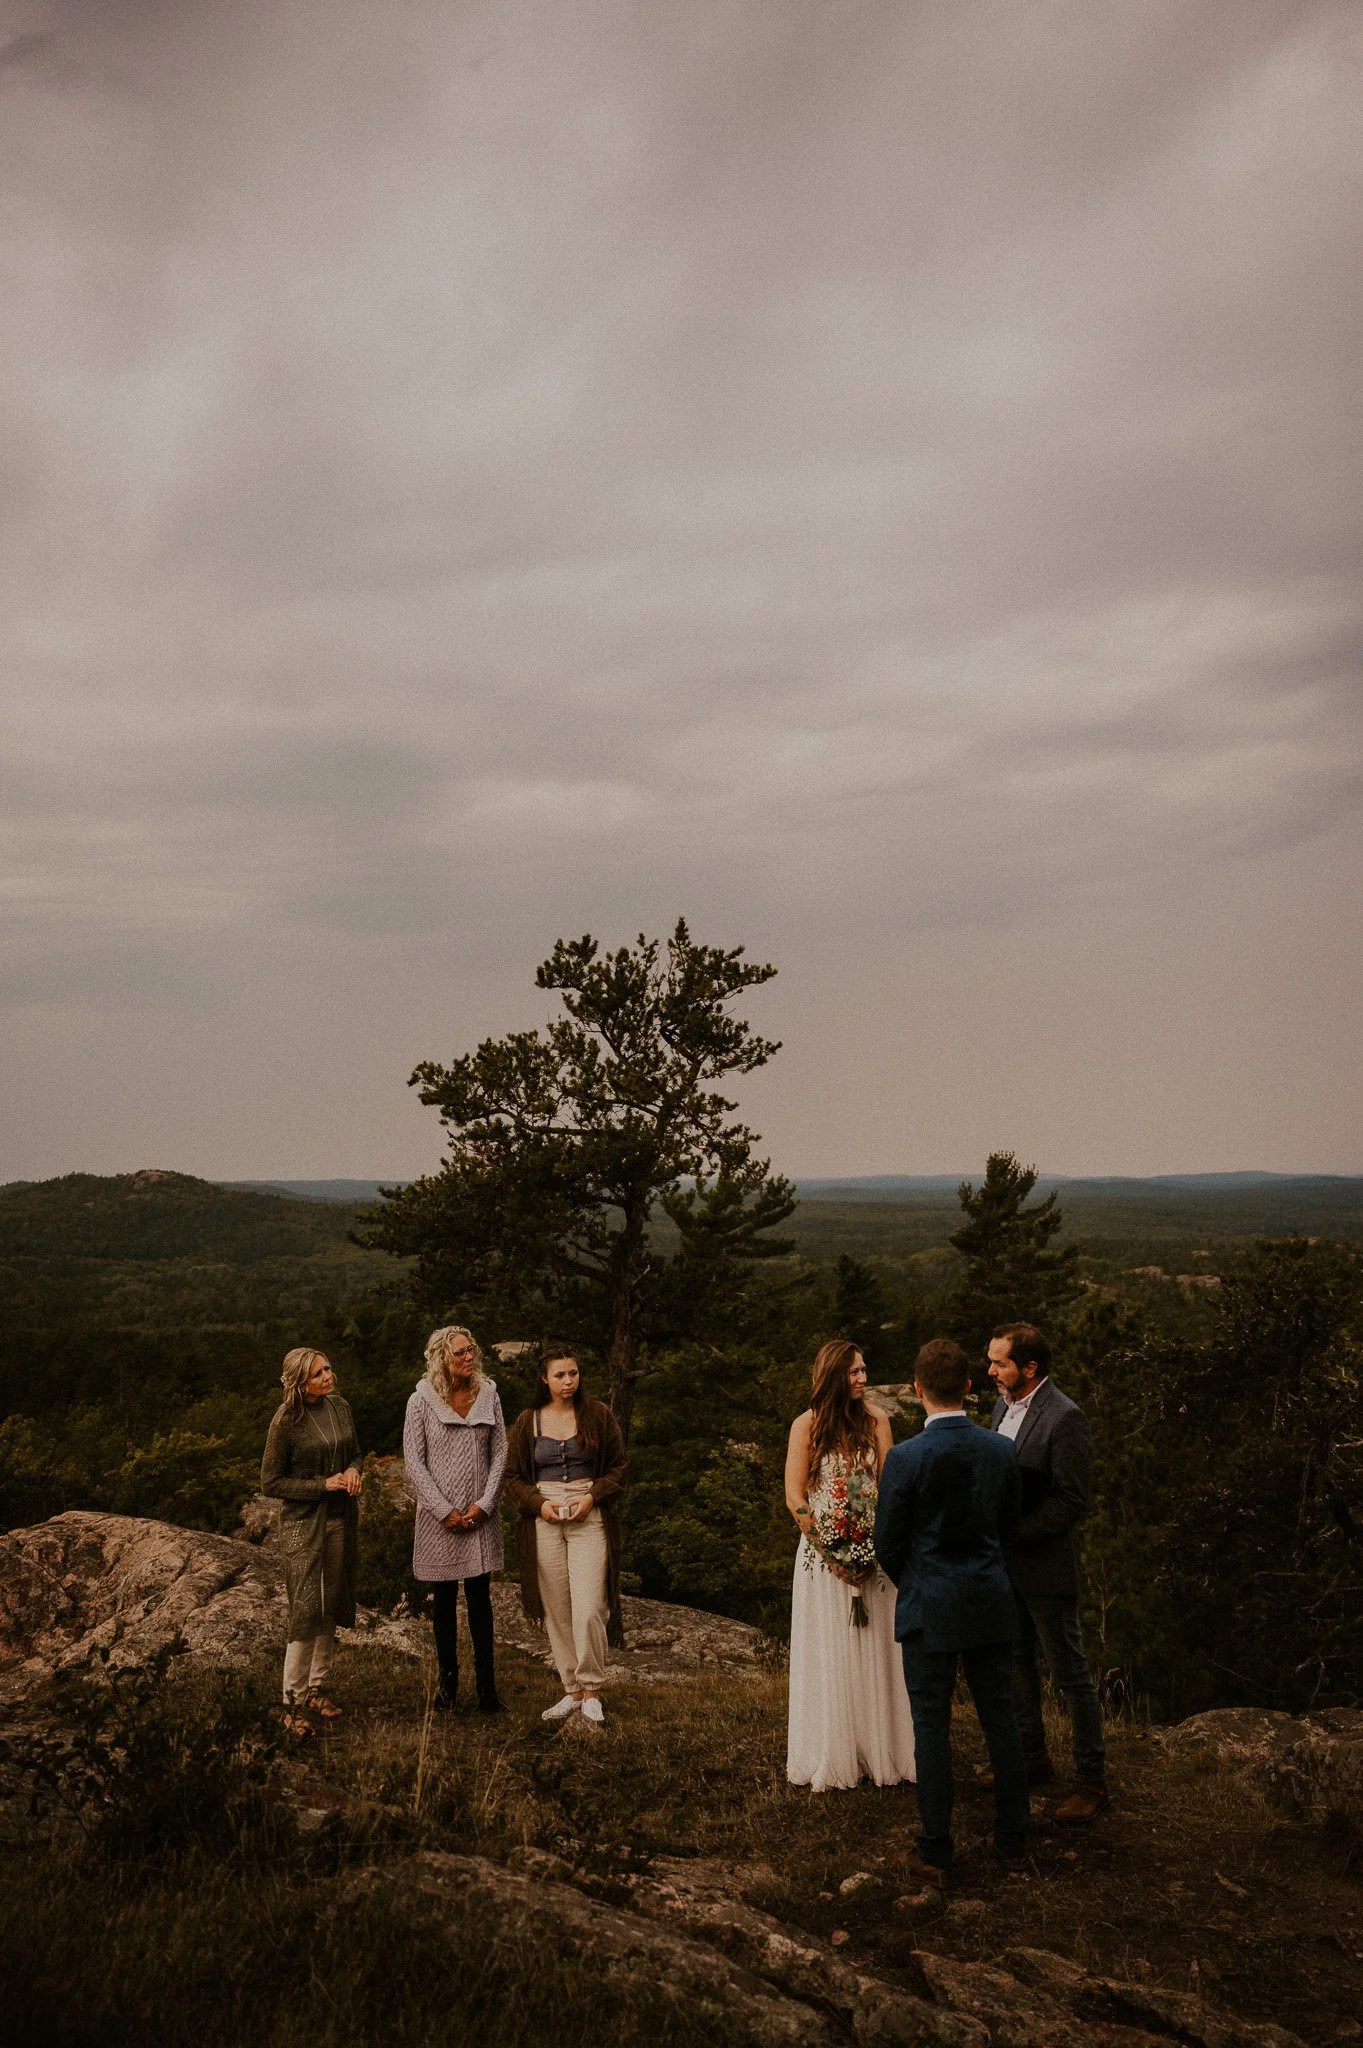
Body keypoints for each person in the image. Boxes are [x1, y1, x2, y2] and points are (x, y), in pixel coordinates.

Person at [873, 1338, 1029, 1882]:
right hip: (988, 1598)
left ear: (918, 1391)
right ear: (968, 1386)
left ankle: (936, 1849)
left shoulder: (905, 1457)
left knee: (931, 1727)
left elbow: (887, 1542)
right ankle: (1014, 1837)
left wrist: (917, 1583)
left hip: (929, 1604)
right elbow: (1008, 1528)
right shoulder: (1000, 1450)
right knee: (1000, 1721)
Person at [987, 1321, 1109, 1822]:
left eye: (1000, 1362)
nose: (991, 1370)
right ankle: (1031, 1758)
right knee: (1016, 1664)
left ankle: (1091, 1782)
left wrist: (1012, 1533)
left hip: (1046, 1568)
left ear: (1029, 1368)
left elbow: (1071, 1500)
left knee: (1070, 1675)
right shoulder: (1001, 1406)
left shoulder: (1065, 1417)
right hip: (1006, 1566)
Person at [784, 1338, 917, 1791]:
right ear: (835, 1376)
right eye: (856, 1372)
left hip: (872, 1554)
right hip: (822, 1559)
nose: (864, 1379)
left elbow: (888, 1488)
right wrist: (830, 1553)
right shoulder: (805, 1426)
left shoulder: (877, 1421)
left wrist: (871, 1545)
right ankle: (836, 1749)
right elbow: (795, 1496)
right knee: (833, 1649)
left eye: (865, 1370)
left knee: (878, 1647)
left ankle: (881, 1747)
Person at [504, 1345, 627, 1725]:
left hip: (586, 1511)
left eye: (573, 1373)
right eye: (560, 1375)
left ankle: (592, 1689)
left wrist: (591, 1497)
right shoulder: (529, 1421)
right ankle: (571, 1690)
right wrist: (539, 1505)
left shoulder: (598, 1415)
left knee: (590, 1606)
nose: (568, 1381)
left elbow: (619, 1467)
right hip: (545, 1514)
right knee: (556, 1608)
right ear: (545, 1379)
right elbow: (512, 1478)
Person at [403, 1324, 508, 1713]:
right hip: (439, 1519)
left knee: (481, 1602)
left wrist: (485, 1504)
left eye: (471, 1350)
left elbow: (500, 1453)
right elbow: (414, 1461)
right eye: (460, 1352)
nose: (468, 1357)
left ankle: (487, 1690)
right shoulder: (422, 1401)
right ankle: (448, 1687)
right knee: (444, 1603)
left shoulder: (489, 1394)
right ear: (440, 1359)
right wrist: (443, 1510)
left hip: (480, 1515)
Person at [261, 1346, 362, 1732]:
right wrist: (322, 1485)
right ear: (300, 1384)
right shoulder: (285, 1421)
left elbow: (355, 1454)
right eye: (319, 1373)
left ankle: (318, 1689)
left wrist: (354, 1471)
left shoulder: (340, 1407)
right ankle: (293, 1705)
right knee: (305, 1610)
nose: (328, 1376)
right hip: (304, 1525)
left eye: (328, 1368)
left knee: (330, 1606)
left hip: (341, 1521)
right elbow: (270, 1482)